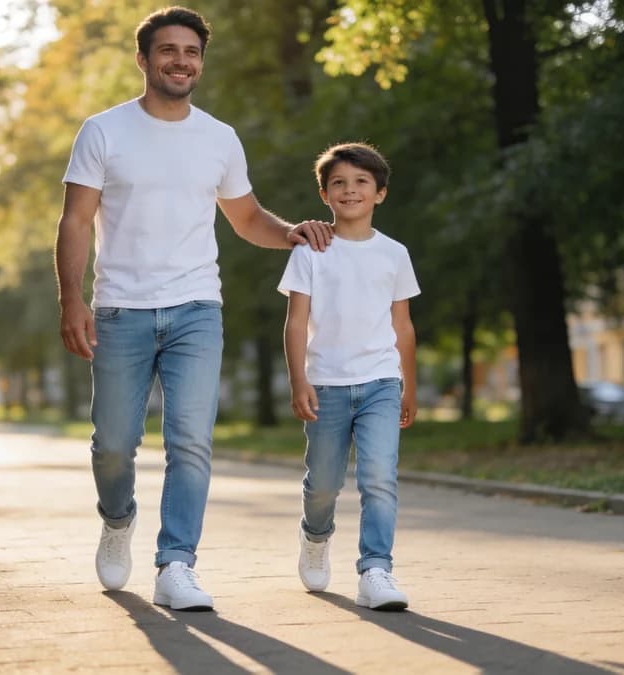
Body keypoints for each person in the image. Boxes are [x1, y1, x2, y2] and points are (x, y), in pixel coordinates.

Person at [55, 6, 332, 612]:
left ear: (201, 63)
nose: (181, 61)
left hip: (196, 310)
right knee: (112, 444)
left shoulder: (219, 138)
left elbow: (246, 217)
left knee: (190, 443)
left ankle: (176, 564)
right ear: (143, 59)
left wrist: (290, 232)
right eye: (168, 50)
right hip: (120, 309)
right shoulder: (103, 131)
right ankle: (117, 517)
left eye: (191, 52)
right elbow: (75, 220)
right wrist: (71, 297)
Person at [278, 142, 419, 611]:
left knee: (379, 478)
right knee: (323, 483)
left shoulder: (394, 253)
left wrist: (409, 387)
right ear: (324, 194)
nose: (350, 190)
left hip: (381, 382)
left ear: (380, 193)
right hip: (326, 386)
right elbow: (296, 322)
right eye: (338, 183)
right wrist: (298, 381)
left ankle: (376, 569)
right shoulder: (311, 252)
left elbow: (403, 326)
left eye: (361, 182)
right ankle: (315, 536)